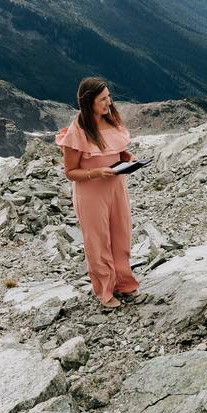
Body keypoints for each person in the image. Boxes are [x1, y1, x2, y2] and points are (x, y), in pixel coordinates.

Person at [56, 77, 140, 308]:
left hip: (116, 187)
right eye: (103, 99)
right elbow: (70, 172)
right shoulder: (77, 132)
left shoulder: (112, 122)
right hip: (91, 192)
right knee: (98, 241)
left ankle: (125, 282)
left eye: (109, 97)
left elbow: (121, 151)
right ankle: (105, 291)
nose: (109, 103)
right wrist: (97, 172)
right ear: (88, 101)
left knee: (121, 234)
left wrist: (129, 159)